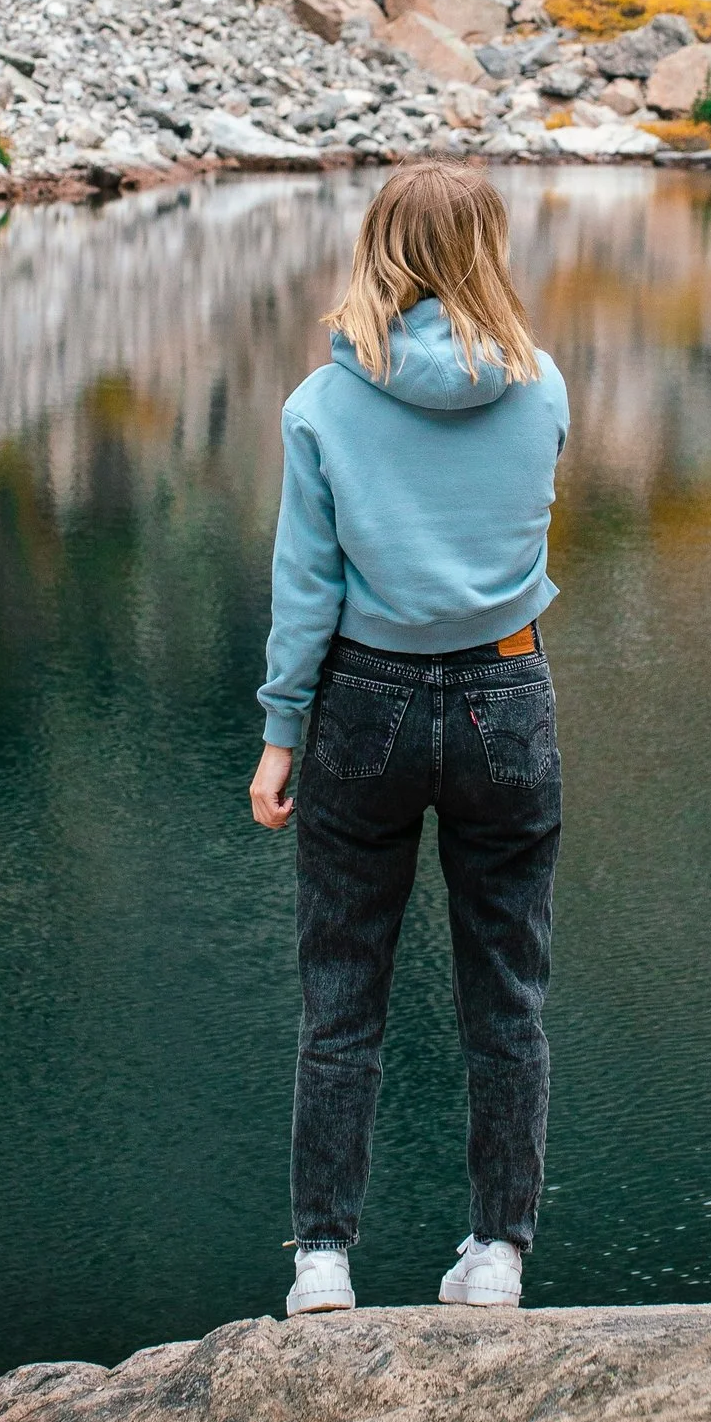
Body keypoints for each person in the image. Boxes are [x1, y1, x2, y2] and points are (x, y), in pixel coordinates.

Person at [250, 164, 570, 1318]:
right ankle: (496, 1256)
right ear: (486, 249)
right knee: (506, 997)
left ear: (378, 247)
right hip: (504, 696)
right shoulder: (541, 390)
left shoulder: (319, 405)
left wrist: (281, 732)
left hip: (363, 705)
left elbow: (307, 587)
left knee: (342, 1000)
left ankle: (323, 1261)